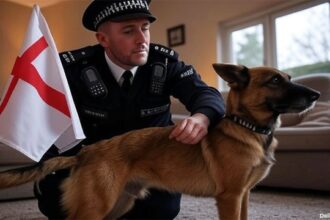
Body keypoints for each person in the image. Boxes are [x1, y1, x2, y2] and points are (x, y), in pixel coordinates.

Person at [34, 0, 225, 219]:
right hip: (94, 164)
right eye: (128, 31)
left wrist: (202, 118)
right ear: (103, 39)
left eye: (145, 28)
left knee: (162, 211)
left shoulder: (165, 63)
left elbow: (206, 94)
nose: (142, 39)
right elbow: (44, 119)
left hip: (150, 167)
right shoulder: (72, 69)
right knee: (56, 205)